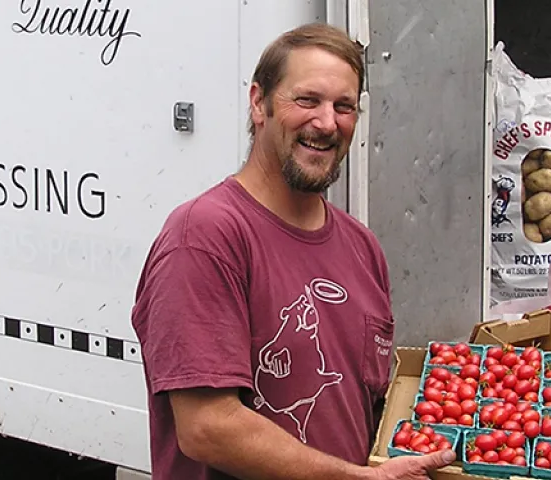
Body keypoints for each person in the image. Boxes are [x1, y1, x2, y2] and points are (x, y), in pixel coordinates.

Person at [130, 23, 456, 479]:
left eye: (344, 106)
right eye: (307, 100)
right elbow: (207, 427)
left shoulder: (362, 248)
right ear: (258, 103)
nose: (326, 123)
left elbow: (368, 408)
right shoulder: (205, 236)